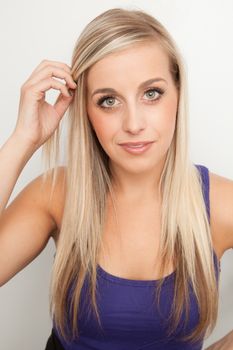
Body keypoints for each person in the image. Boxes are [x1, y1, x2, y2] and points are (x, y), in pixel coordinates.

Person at [0, 7, 233, 350]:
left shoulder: (221, 204)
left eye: (151, 93)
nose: (133, 123)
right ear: (86, 111)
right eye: (108, 101)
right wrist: (23, 139)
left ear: (178, 94)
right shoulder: (57, 195)